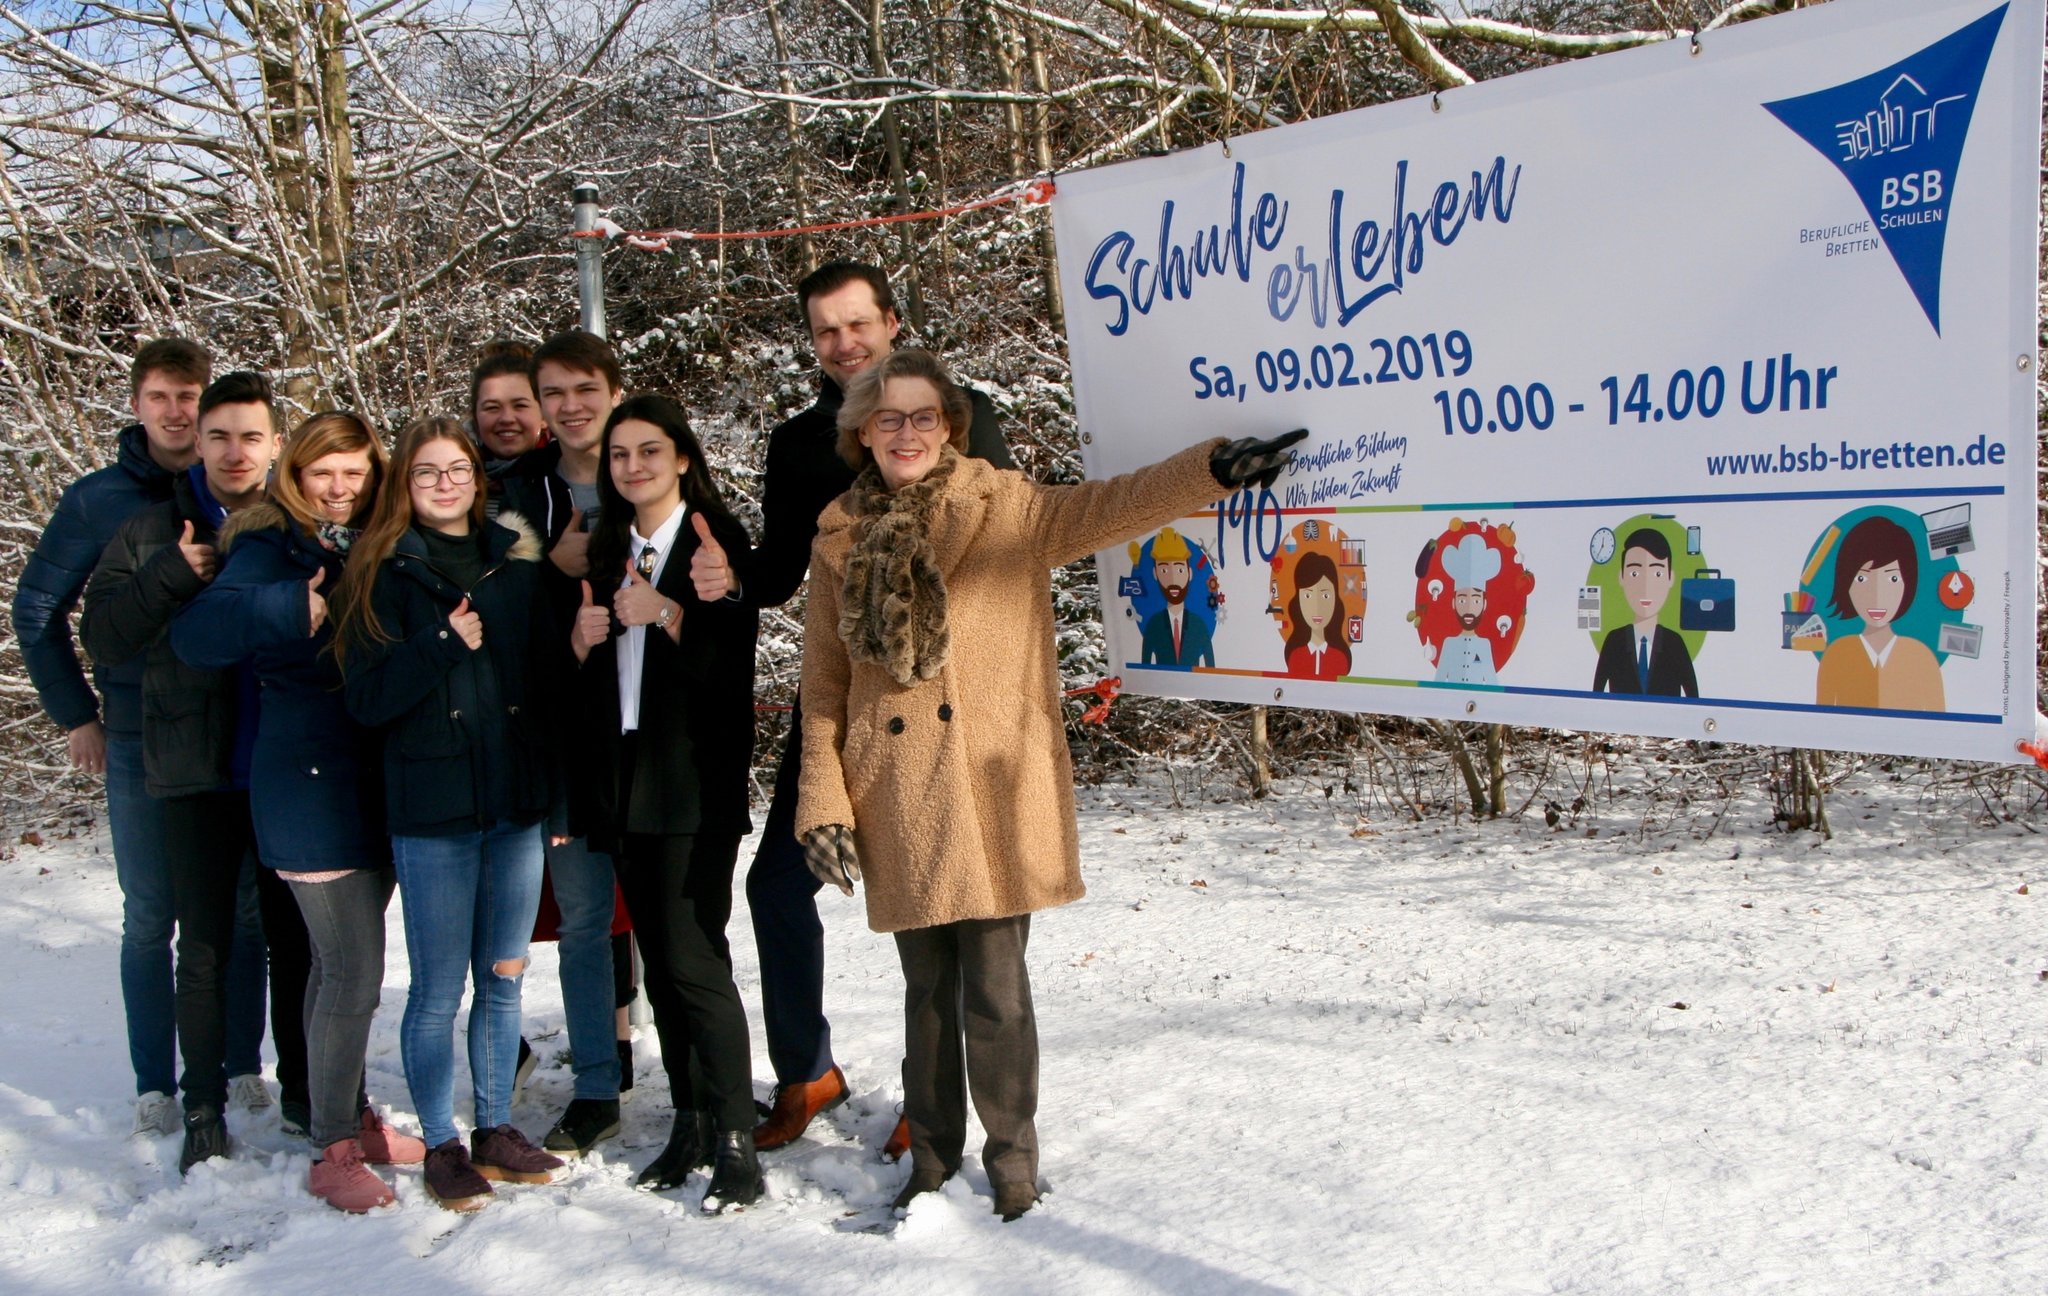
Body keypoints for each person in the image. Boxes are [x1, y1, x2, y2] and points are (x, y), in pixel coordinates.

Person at [793, 347, 1302, 1220]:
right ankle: (931, 1156)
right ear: (862, 433)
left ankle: (1013, 1162)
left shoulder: (1006, 506)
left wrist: (1209, 470)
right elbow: (825, 683)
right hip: (897, 787)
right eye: (889, 419)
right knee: (925, 993)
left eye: (923, 417)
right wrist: (823, 799)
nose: (906, 433)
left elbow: (1109, 508)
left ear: (948, 425)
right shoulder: (838, 535)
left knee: (996, 990)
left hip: (989, 783)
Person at [688, 260, 1014, 1155]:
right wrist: (727, 577)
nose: (844, 344)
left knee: (945, 903)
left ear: (892, 322)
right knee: (775, 885)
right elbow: (781, 572)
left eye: (857, 325)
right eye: (826, 330)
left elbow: (1013, 539)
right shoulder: (799, 444)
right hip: (845, 706)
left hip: (948, 708)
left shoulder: (964, 414)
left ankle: (934, 1103)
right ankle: (809, 1072)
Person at [11, 340, 270, 1138]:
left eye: (189, 396)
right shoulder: (102, 502)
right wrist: (77, 714)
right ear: (136, 404)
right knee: (151, 913)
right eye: (159, 396)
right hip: (135, 734)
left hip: (236, 731)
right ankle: (156, 1081)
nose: (176, 412)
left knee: (241, 910)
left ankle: (237, 1064)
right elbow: (37, 611)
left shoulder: (256, 494)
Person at [171, 411, 428, 1211]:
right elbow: (197, 635)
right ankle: (332, 1149)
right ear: (296, 474)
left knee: (336, 966)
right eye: (325, 472)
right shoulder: (267, 543)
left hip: (373, 780)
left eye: (355, 473)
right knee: (351, 969)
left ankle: (343, 1109)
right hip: (307, 782)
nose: (341, 488)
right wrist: (283, 609)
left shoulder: (375, 540)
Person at [334, 417, 565, 1210]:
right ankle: (440, 1142)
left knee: (504, 977)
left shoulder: (515, 566)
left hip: (515, 806)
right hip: (432, 813)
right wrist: (437, 642)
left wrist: (554, 792)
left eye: (456, 469)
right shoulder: (377, 571)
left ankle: (496, 1129)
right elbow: (365, 701)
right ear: (405, 483)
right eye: (426, 471)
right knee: (438, 990)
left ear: (478, 477)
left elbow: (544, 688)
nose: (443, 483)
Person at [79, 371, 298, 1174]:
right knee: (199, 940)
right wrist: (172, 572)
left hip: (279, 764)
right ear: (194, 442)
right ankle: (200, 1104)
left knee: (269, 936)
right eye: (219, 436)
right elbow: (102, 634)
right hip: (191, 765)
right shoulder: (149, 529)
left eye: (251, 437)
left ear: (276, 444)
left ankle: (261, 1076)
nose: (235, 452)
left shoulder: (297, 524)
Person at [566, 395, 763, 1211]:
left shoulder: (715, 543)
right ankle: (688, 1122)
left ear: (682, 457)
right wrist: (578, 648)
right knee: (659, 960)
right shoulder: (608, 547)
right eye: (619, 455)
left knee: (693, 960)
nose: (634, 466)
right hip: (623, 784)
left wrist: (674, 611)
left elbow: (733, 668)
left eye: (650, 450)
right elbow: (592, 683)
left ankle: (737, 1140)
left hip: (691, 786)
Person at [495, 331, 636, 1153]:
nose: (571, 405)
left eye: (586, 387)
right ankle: (594, 1085)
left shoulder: (651, 464)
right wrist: (549, 565)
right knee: (583, 913)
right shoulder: (514, 493)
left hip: (650, 730)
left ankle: (699, 1083)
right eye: (556, 393)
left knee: (668, 916)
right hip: (558, 732)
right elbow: (492, 607)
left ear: (612, 390)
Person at [1814, 515, 1944, 711]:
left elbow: (1939, 723)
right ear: (1845, 583)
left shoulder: (1922, 658)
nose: (1876, 595)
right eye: (1862, 579)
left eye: (1892, 578)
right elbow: (1821, 720)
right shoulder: (1836, 655)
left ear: (1908, 584)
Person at [1592, 528, 1697, 697]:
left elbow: (1694, 697)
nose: (1645, 585)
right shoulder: (1614, 641)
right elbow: (1596, 693)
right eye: (1635, 573)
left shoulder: (1674, 643)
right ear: (1622, 577)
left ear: (1670, 578)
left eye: (1657, 573)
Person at [471, 340, 547, 519]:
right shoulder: (450, 485)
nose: (506, 418)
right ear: (475, 415)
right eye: (492, 407)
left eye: (520, 405)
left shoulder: (565, 479)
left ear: (544, 415)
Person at [1139, 528, 1215, 669]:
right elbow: (1144, 670)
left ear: (1189, 573)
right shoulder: (1153, 625)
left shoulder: (1199, 625)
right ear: (1155, 574)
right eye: (1164, 570)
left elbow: (1211, 668)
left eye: (1179, 570)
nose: (1173, 579)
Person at [1433, 534, 1500, 685]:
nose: (1469, 608)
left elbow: (1492, 683)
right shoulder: (1449, 644)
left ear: (1484, 604)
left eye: (1476, 600)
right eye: (1462, 600)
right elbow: (1438, 682)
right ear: (1453, 603)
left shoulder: (1484, 646)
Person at [1283, 550, 1349, 679]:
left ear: (1335, 600)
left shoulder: (1340, 659)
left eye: (1325, 595)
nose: (1317, 605)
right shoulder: (1296, 657)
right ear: (1299, 601)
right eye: (1308, 595)